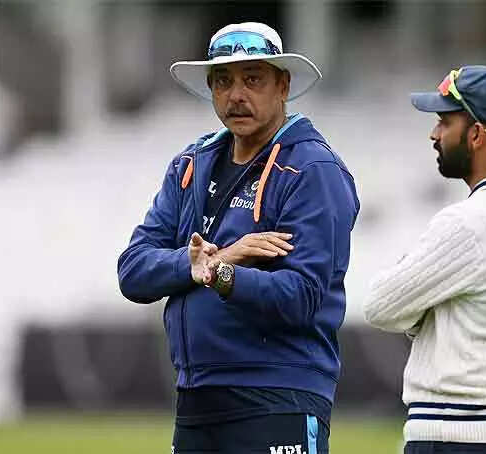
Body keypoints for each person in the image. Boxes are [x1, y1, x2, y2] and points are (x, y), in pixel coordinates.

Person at [118, 22, 359, 454]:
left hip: (278, 397)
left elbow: (302, 296)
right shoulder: (190, 164)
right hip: (196, 397)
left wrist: (218, 273)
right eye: (223, 81)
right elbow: (133, 271)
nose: (236, 95)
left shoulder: (313, 170)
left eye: (252, 79)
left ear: (283, 85)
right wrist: (210, 262)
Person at [363, 66, 486, 454]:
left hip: (454, 435)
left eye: (445, 121)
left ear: (477, 134)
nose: (434, 134)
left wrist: (423, 313)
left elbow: (379, 305)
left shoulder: (468, 222)